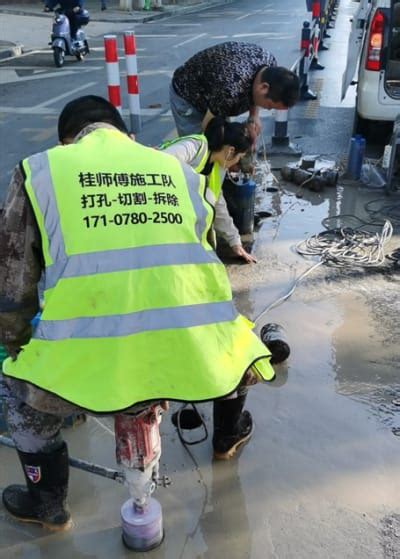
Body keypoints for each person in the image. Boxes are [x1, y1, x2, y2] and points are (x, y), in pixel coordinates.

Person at [0, 95, 275, 531]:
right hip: (191, 348)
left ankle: (47, 504)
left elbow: (12, 285)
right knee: (240, 354)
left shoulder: (42, 171)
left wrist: (17, 348)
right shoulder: (182, 172)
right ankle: (228, 433)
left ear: (66, 141)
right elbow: (204, 261)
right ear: (126, 135)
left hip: (90, 360)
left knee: (21, 397)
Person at [160, 117, 256, 264]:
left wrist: (235, 242)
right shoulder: (193, 148)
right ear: (231, 151)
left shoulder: (218, 167)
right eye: (240, 157)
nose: (238, 162)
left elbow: (217, 204)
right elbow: (159, 163)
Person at [170, 41, 300, 145]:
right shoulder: (229, 91)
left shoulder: (269, 63)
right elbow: (208, 128)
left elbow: (255, 87)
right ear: (264, 88)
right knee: (197, 147)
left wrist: (253, 117)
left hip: (215, 93)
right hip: (188, 93)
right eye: (269, 106)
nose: (268, 109)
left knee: (224, 140)